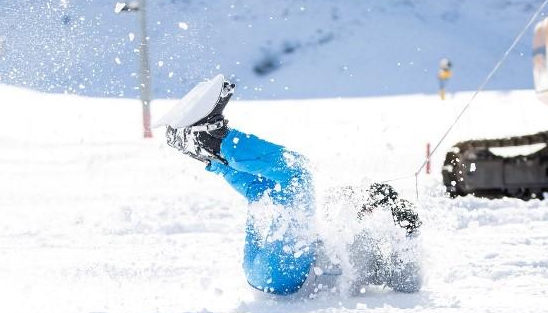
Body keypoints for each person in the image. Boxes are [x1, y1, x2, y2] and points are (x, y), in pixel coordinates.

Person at [158, 75, 423, 296]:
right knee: (263, 192)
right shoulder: (352, 230)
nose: (366, 207)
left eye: (372, 206)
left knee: (297, 174)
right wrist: (365, 196)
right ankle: (205, 152)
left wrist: (411, 231)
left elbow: (409, 283)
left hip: (285, 273)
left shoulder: (383, 250)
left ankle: (214, 138)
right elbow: (327, 213)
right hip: (265, 272)